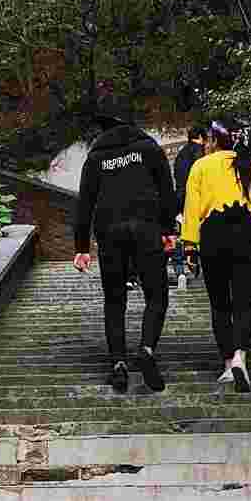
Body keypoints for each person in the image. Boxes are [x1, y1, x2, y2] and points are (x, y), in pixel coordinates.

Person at [73, 108, 177, 393]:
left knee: (114, 300)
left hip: (110, 233)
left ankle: (118, 363)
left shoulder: (95, 158)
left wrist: (82, 247)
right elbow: (167, 191)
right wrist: (169, 229)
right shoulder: (149, 149)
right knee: (156, 295)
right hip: (146, 229)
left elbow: (85, 204)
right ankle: (146, 349)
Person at [180, 114, 251, 393]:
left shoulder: (201, 166)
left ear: (212, 140)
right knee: (244, 302)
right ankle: (240, 358)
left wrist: (189, 245)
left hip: (213, 236)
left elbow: (191, 208)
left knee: (220, 304)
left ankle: (226, 364)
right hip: (245, 235)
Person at [171, 122, 207, 287]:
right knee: (200, 232)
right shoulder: (199, 152)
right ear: (200, 137)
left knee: (182, 234)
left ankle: (181, 269)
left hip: (180, 199)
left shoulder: (181, 153)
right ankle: (195, 263)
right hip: (195, 198)